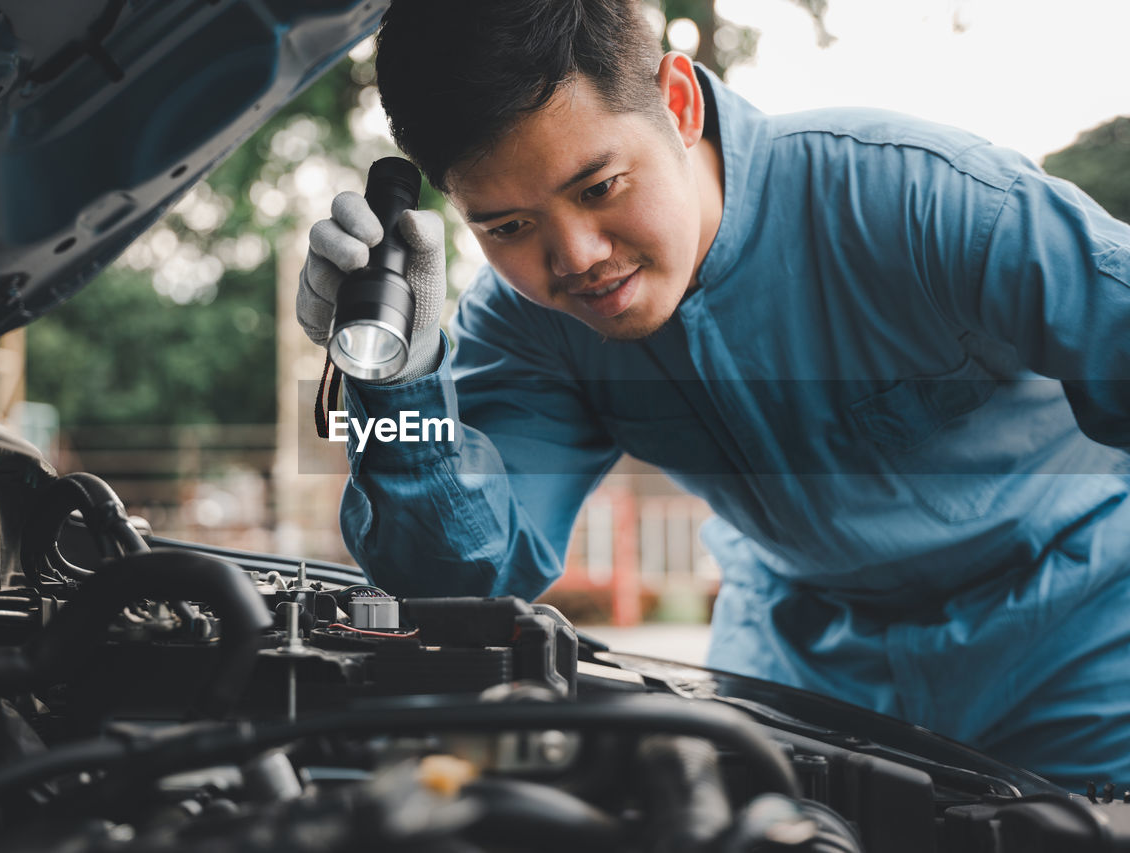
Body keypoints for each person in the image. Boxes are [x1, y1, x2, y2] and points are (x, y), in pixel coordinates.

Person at [295, 0, 1130, 789]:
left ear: (680, 101)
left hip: (1083, 656)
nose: (576, 256)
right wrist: (397, 377)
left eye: (598, 187)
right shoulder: (527, 328)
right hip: (805, 675)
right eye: (507, 226)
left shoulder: (931, 200)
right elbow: (459, 574)